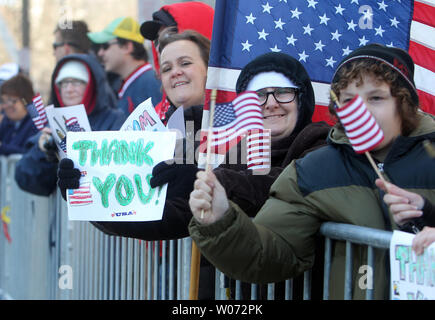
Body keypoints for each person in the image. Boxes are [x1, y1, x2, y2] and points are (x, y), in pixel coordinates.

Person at [57, 48, 331, 299]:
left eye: (283, 92)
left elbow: (275, 188)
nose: (270, 103)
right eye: (258, 95)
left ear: (301, 99)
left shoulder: (318, 146)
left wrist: (203, 178)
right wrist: (92, 195)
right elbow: (172, 217)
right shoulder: (238, 154)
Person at [188, 44, 435, 300]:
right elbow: (270, 251)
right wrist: (220, 221)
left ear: (403, 102)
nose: (361, 111)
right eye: (349, 101)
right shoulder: (312, 170)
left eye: (375, 98)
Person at [14, 54, 126, 196]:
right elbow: (25, 179)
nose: (69, 89)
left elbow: (118, 171)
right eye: (63, 83)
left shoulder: (114, 119)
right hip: (64, 216)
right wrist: (42, 150)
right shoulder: (53, 124)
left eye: (77, 82)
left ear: (92, 84)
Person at [139, 1, 214, 121]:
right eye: (167, 69)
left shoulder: (242, 117)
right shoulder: (152, 121)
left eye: (185, 63)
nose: (159, 47)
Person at [87, 17, 162, 116]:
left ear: (127, 47)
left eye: (105, 46)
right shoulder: (131, 81)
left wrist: (190, 129)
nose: (100, 53)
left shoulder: (150, 82)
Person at [0, 74, 38, 155]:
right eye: (3, 101)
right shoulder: (6, 122)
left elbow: (29, 154)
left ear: (25, 100)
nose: (5, 106)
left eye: (11, 100)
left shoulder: (37, 124)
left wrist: (2, 147)